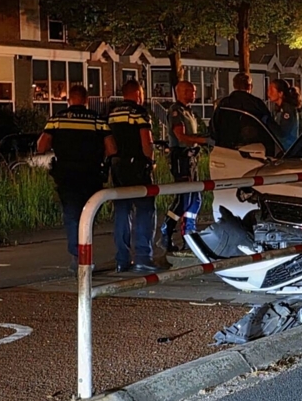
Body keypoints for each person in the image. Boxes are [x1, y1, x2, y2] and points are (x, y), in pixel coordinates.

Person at [36, 84, 116, 272]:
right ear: (87, 101)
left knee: (72, 216)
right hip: (91, 174)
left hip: (67, 175)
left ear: (69, 100)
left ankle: (77, 259)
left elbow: (41, 147)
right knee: (89, 216)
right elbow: (112, 148)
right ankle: (86, 254)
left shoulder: (57, 120)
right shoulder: (97, 120)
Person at [107, 81, 159, 273]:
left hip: (118, 167)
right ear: (138, 93)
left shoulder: (112, 113)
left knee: (122, 211)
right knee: (145, 210)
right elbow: (146, 140)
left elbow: (109, 141)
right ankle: (143, 257)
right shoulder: (139, 112)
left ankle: (122, 259)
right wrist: (150, 161)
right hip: (137, 166)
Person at [163, 80, 208, 252]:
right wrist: (203, 140)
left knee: (195, 198)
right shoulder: (176, 111)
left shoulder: (189, 111)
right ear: (180, 92)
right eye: (190, 90)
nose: (194, 94)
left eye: (195, 90)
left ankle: (189, 233)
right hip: (182, 158)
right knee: (185, 199)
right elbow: (180, 136)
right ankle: (167, 231)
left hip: (191, 158)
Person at [210, 72, 271, 149]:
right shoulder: (257, 104)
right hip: (253, 149)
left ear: (234, 85)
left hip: (226, 148)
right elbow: (268, 126)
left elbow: (214, 127)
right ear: (250, 86)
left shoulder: (224, 103)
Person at [267, 78, 301, 149]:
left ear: (280, 93)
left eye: (271, 91)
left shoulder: (287, 110)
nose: (268, 94)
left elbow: (282, 133)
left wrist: (268, 121)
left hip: (287, 150)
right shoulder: (279, 108)